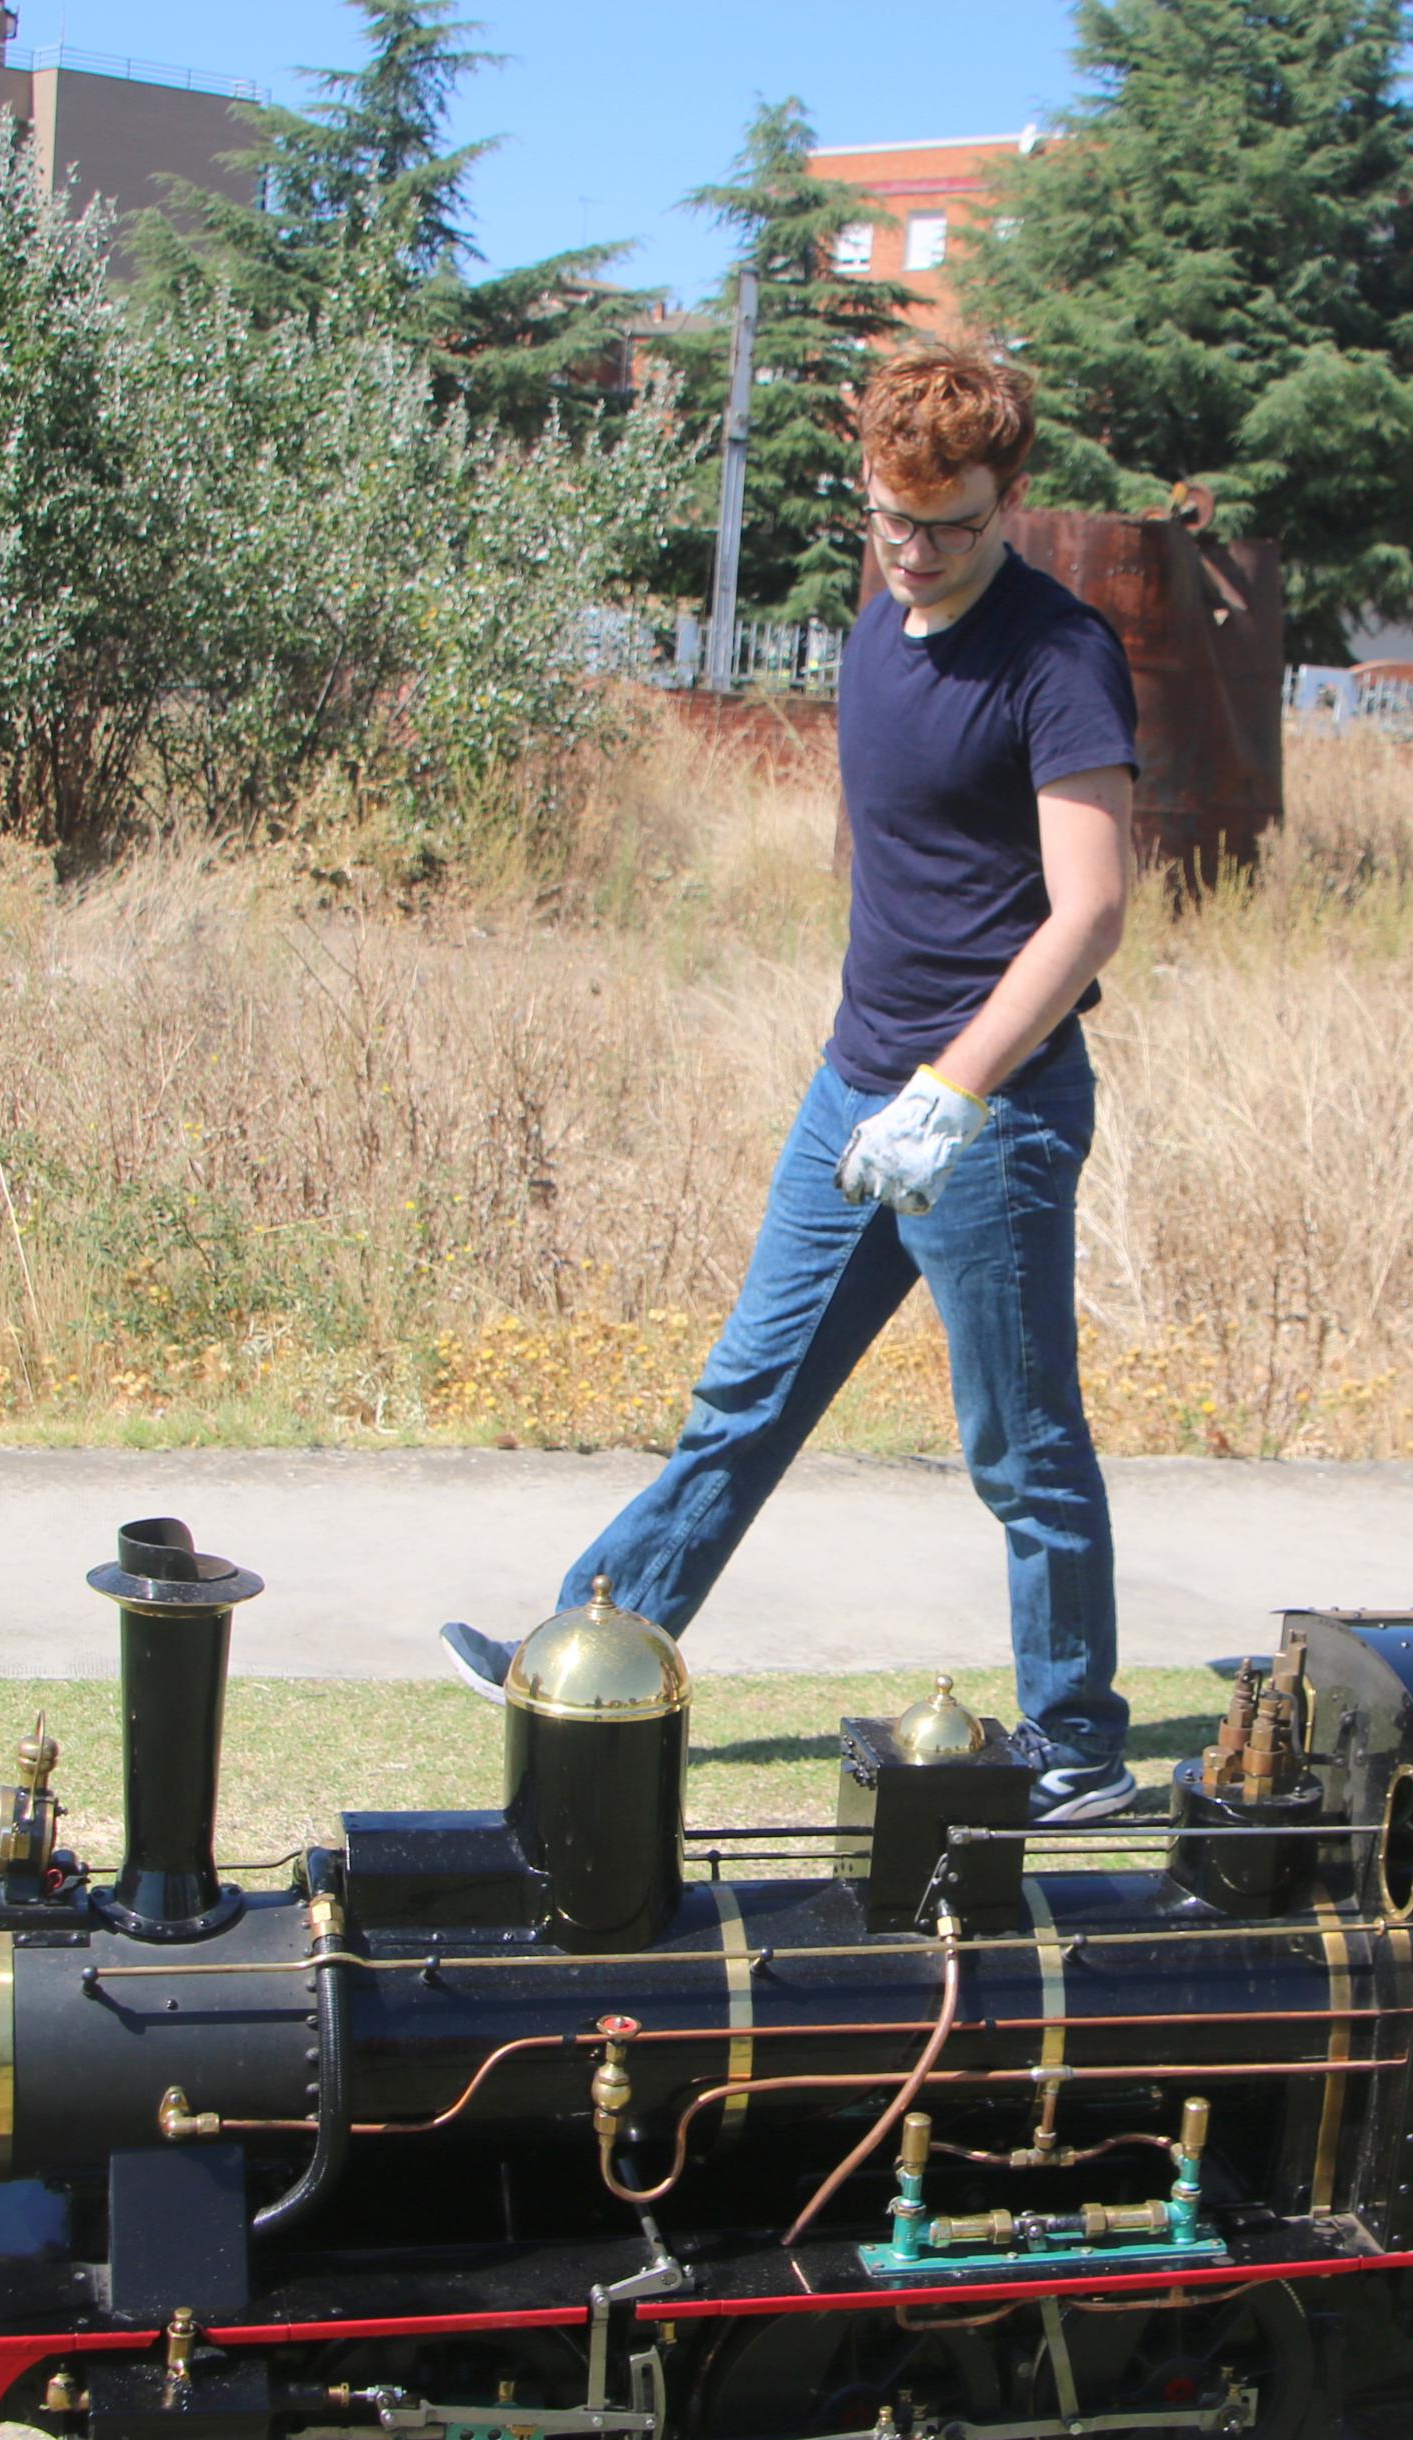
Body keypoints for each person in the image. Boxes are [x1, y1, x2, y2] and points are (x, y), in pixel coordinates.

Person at [439, 341, 1142, 1823]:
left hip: (987, 1121)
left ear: (1010, 499)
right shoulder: (880, 626)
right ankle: (589, 1643)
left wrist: (950, 1090)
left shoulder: (1059, 656)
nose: (913, 552)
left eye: (948, 526)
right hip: (853, 1097)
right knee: (743, 1399)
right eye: (888, 519)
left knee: (1022, 1450)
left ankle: (1078, 1745)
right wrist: (882, 1075)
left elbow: (1088, 910)